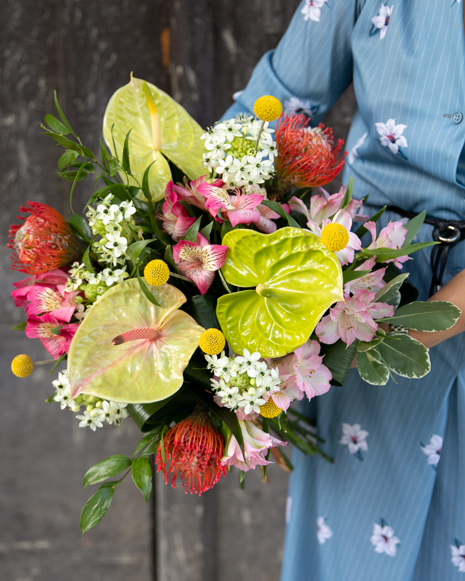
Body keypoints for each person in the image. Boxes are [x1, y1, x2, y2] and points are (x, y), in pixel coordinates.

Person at [223, 1, 465, 579]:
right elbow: (271, 110)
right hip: (355, 294)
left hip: (359, 329)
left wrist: (377, 337)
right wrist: (183, 249)